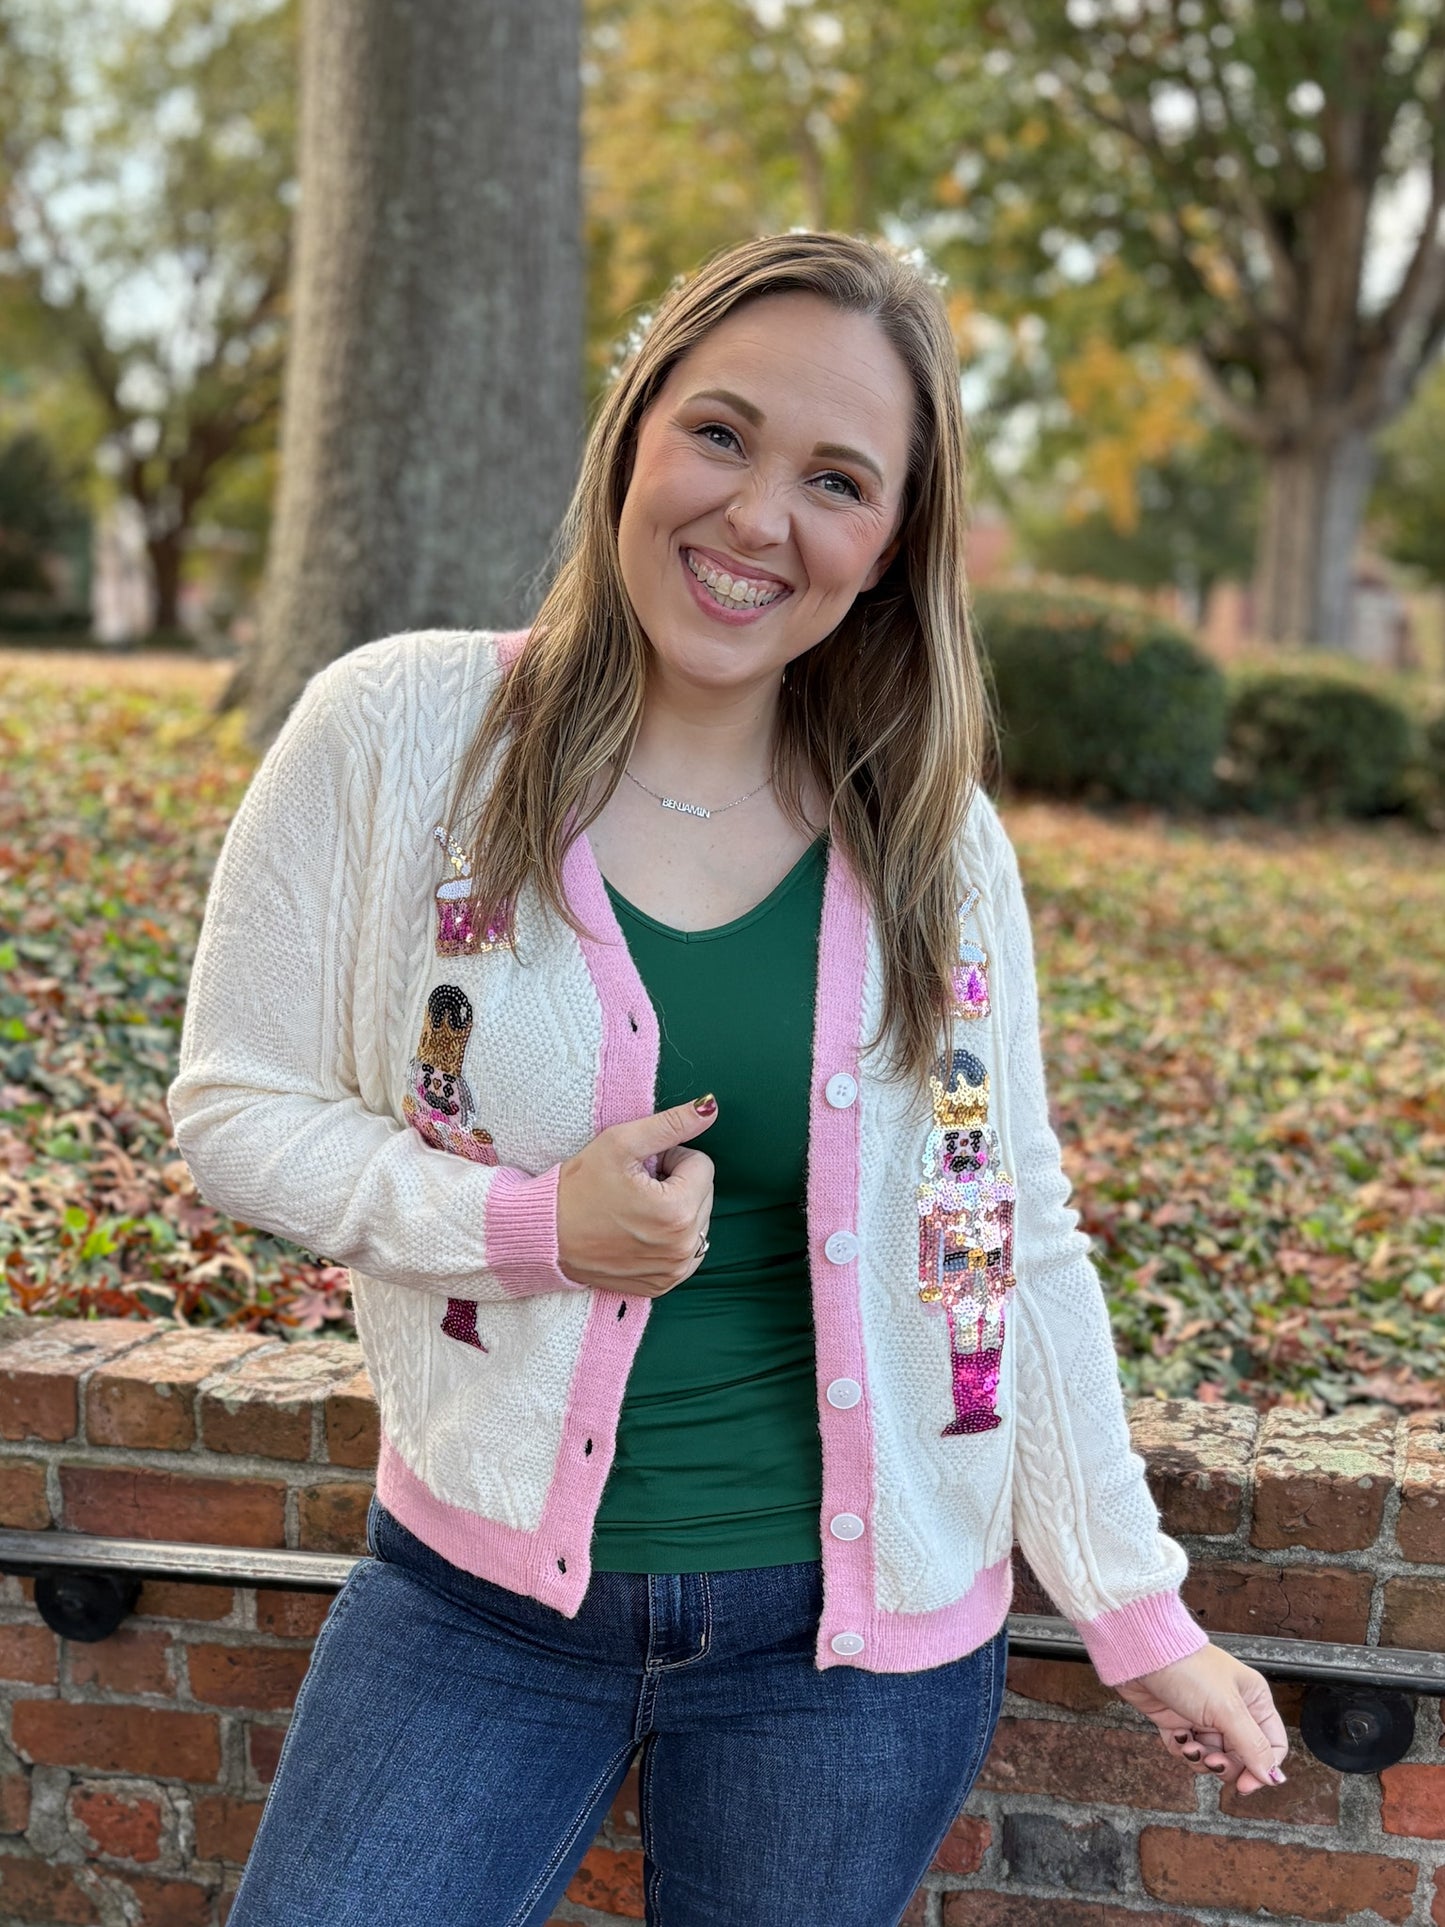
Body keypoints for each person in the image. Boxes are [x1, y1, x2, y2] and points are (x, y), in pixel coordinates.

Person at [169, 231, 1286, 1927]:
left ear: (891, 544)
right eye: (720, 434)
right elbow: (233, 1110)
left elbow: (1008, 1237)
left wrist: (1139, 1611)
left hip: (846, 1662)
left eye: (835, 478)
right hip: (473, 1614)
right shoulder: (394, 734)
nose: (759, 515)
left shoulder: (934, 847)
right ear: (632, 433)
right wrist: (530, 1222)